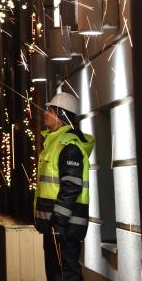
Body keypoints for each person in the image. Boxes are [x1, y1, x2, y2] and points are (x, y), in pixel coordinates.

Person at [34, 92, 94, 281]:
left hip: (64, 227)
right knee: (56, 273)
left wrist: (57, 222)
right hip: (56, 226)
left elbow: (71, 186)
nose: (45, 113)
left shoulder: (69, 147)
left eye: (50, 110)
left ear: (62, 115)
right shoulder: (55, 144)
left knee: (65, 274)